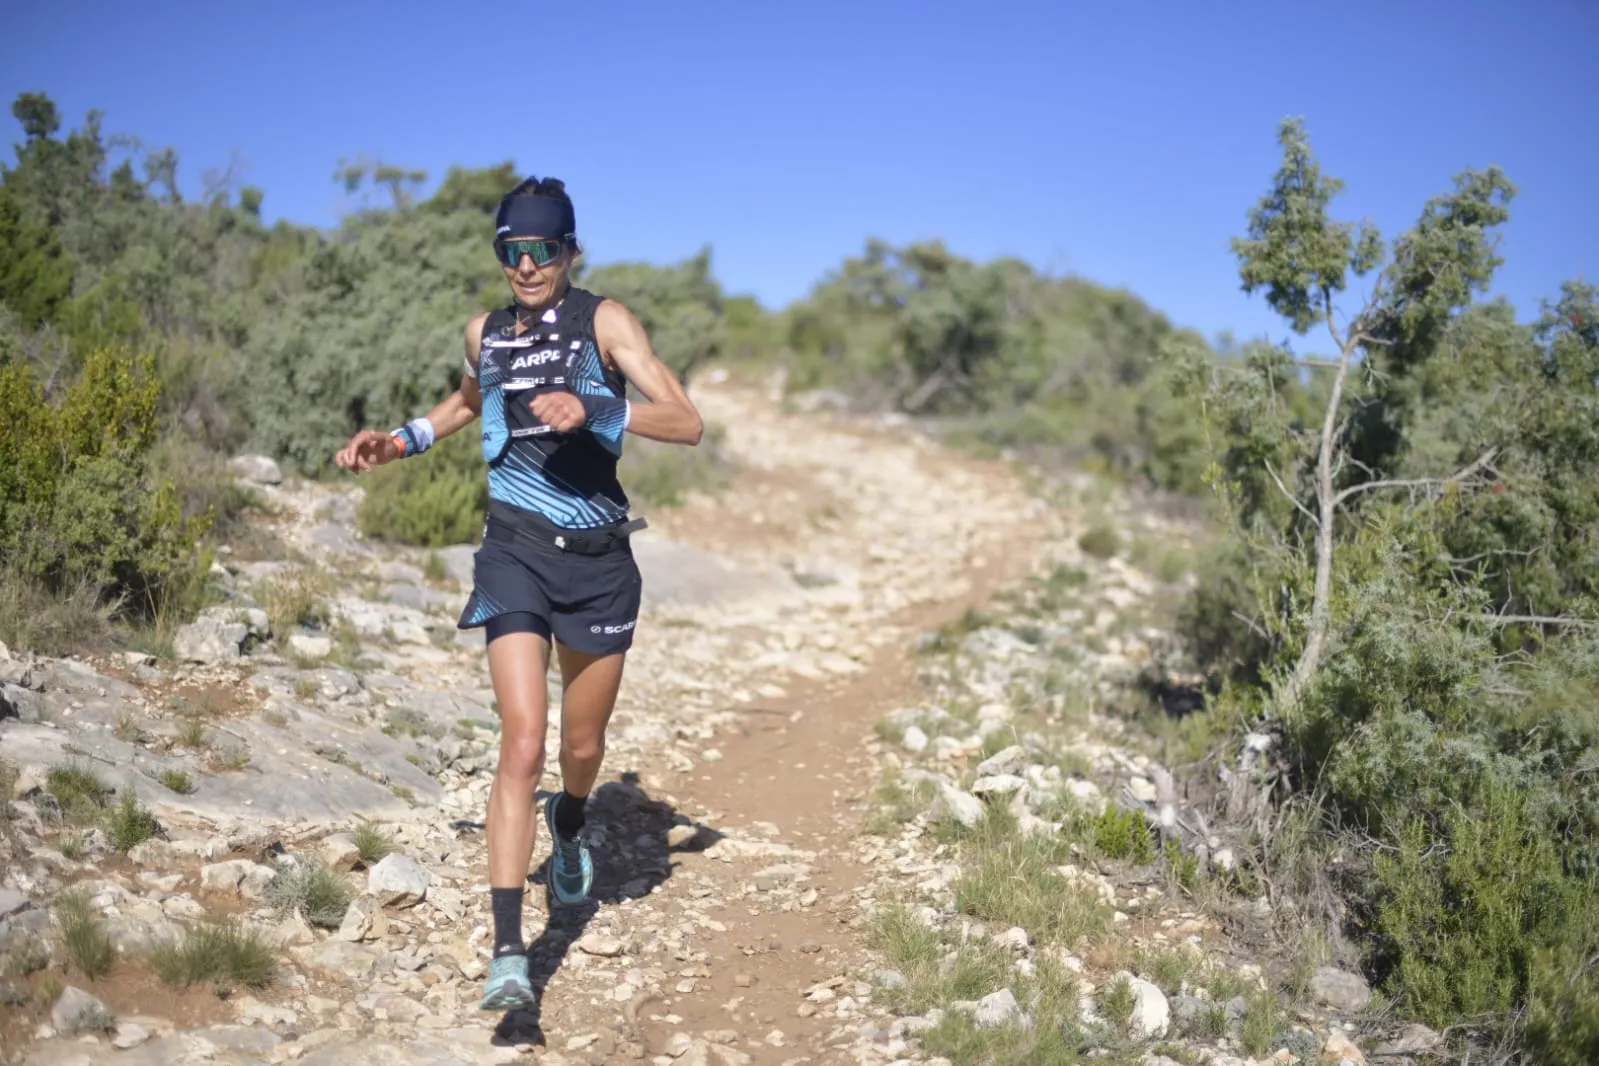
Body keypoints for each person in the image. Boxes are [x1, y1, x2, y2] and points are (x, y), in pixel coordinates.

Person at [334, 176, 703, 1012]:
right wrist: (397, 441)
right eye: (511, 252)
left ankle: (570, 823)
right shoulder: (486, 332)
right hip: (515, 552)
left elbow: (685, 421)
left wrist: (597, 404)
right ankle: (511, 954)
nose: (527, 266)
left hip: (600, 561)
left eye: (542, 251)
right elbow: (469, 402)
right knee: (524, 742)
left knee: (579, 750)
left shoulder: (603, 322)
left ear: (570, 251)